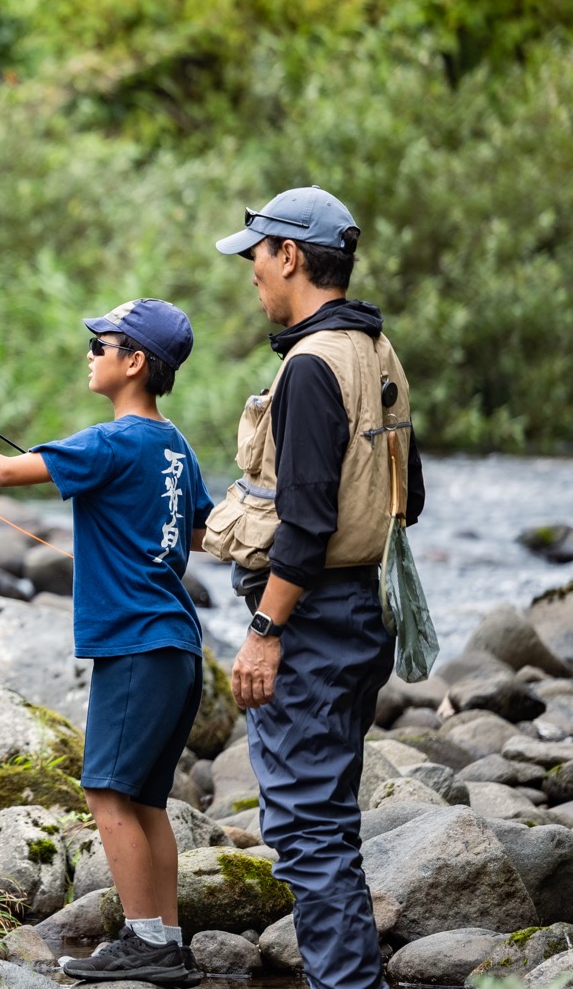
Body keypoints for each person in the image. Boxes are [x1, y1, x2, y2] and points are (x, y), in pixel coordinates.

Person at [0, 298, 211, 986]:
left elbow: (2, 474)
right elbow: (201, 532)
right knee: (145, 799)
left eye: (102, 344)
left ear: (135, 362)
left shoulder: (109, 443)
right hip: (176, 645)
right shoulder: (175, 447)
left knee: (107, 793)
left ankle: (147, 942)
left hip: (135, 647)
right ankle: (166, 942)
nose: (91, 353)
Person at [208, 186, 422, 989]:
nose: (252, 274)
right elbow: (412, 494)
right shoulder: (376, 350)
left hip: (311, 621)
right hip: (364, 613)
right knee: (327, 819)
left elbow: (304, 525)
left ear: (290, 256)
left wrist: (265, 630)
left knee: (304, 827)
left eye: (256, 257)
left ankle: (347, 985)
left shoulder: (308, 367)